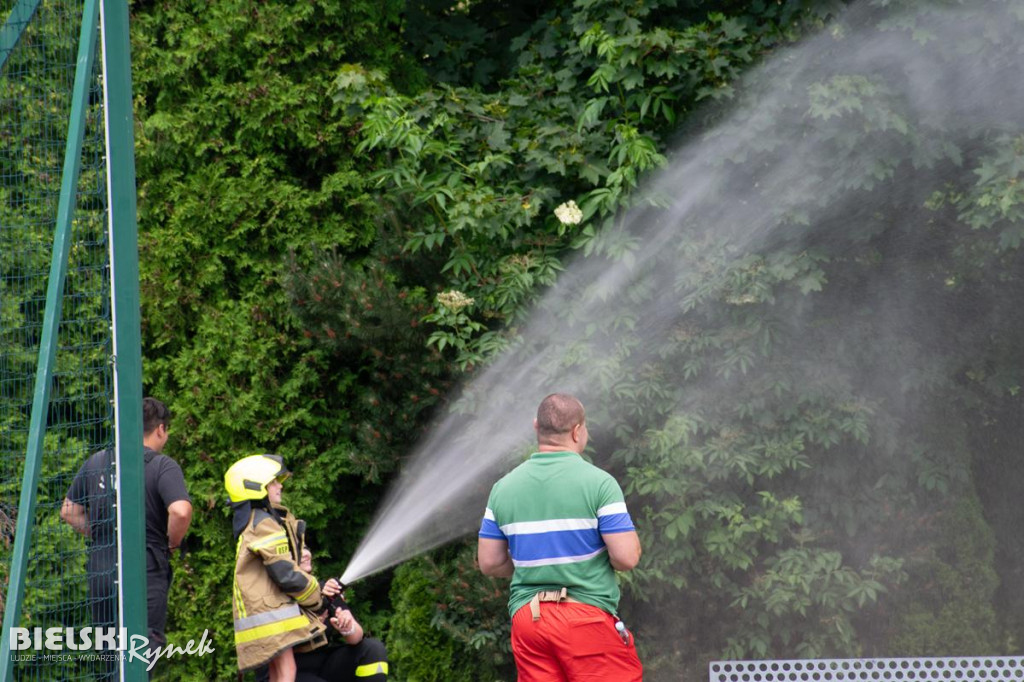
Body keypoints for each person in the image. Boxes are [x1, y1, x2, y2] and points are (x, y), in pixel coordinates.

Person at [477, 393, 643, 681]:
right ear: (577, 431)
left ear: (535, 427)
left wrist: (537, 566)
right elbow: (626, 557)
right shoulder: (600, 484)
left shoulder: (502, 488)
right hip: (585, 618)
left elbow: (490, 563)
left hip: (529, 621)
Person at [226, 454, 388, 682]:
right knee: (288, 672)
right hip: (290, 663)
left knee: (372, 649)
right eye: (273, 482)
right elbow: (286, 574)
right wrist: (318, 600)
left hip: (319, 663)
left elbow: (356, 636)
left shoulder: (259, 526)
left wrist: (346, 626)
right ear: (255, 487)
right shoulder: (264, 526)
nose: (279, 485)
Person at [61, 396, 192, 652]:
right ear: (161, 429)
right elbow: (180, 511)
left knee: (107, 653)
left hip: (101, 567)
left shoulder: (97, 461)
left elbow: (69, 511)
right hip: (145, 566)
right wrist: (172, 543)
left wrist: (101, 533)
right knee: (141, 650)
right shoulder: (162, 465)